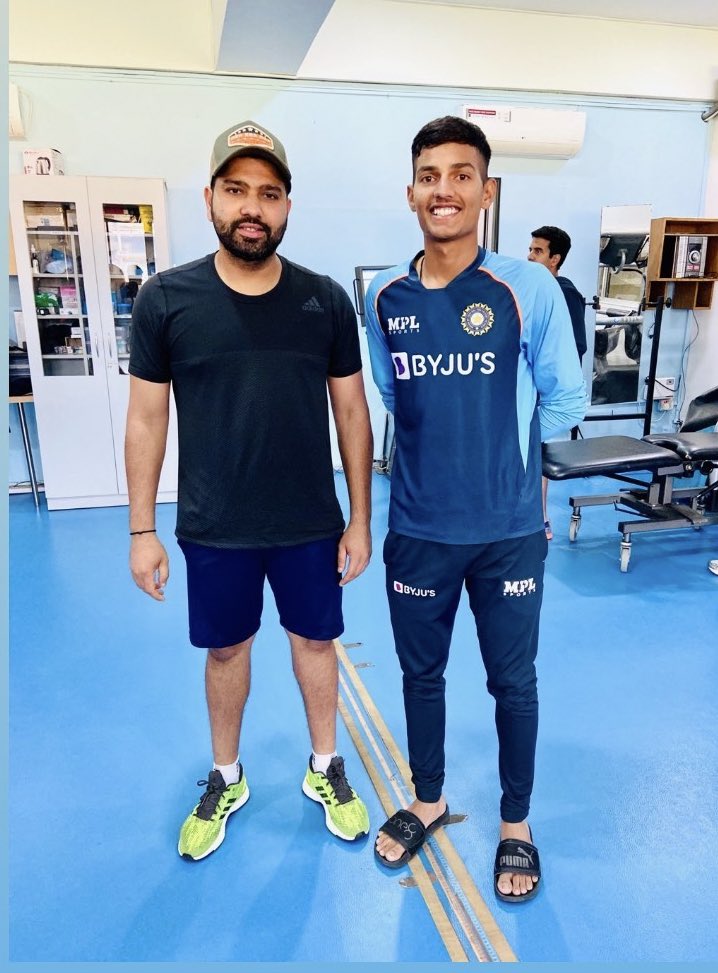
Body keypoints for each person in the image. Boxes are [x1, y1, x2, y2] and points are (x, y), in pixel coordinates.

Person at [125, 120, 373, 861]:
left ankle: (325, 766)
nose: (252, 207)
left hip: (307, 522)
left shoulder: (324, 301)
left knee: (316, 642)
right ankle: (226, 775)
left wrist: (360, 519)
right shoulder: (165, 299)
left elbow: (353, 413)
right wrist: (142, 531)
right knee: (227, 650)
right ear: (210, 199)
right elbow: (146, 418)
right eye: (236, 190)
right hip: (215, 522)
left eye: (268, 193)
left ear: (288, 206)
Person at [364, 116, 585, 902]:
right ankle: (428, 798)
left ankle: (516, 824)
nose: (444, 189)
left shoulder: (529, 289)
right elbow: (394, 397)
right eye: (430, 174)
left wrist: (515, 468)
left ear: (485, 192)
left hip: (508, 533)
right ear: (412, 190)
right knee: (421, 677)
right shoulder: (382, 295)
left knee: (512, 680)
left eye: (462, 175)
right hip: (419, 529)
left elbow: (565, 395)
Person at [528, 224, 587, 540]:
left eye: (538, 251)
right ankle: (538, 519)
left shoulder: (564, 293)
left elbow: (575, 347)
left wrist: (546, 385)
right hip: (534, 389)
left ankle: (540, 519)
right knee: (531, 447)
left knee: (529, 446)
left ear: (555, 258)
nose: (530, 256)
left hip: (552, 394)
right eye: (531, 248)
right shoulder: (537, 291)